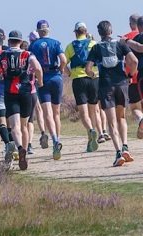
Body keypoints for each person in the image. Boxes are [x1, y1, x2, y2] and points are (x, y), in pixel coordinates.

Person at [85, 20, 138, 167]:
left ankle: (118, 153)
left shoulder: (96, 48)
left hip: (106, 85)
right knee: (121, 117)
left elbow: (88, 69)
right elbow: (133, 61)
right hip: (122, 84)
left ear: (99, 33)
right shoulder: (121, 44)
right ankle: (125, 146)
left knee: (111, 121)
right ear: (111, 30)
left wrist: (93, 75)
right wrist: (130, 76)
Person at [0, 30, 43, 170]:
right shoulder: (27, 54)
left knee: (14, 127)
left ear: (8, 42)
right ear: (20, 42)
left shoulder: (2, 56)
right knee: (24, 126)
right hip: (25, 92)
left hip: (10, 93)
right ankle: (24, 150)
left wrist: (1, 77)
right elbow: (37, 67)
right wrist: (40, 81)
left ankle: (19, 147)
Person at [64, 22, 105, 153]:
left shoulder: (70, 46)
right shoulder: (93, 44)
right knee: (93, 110)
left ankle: (90, 132)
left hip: (78, 79)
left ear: (75, 32)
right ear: (86, 31)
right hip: (93, 78)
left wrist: (69, 74)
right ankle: (94, 136)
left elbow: (63, 63)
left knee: (83, 112)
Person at [29, 20, 67, 160]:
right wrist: (61, 70)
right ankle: (58, 141)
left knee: (47, 113)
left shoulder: (33, 45)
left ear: (38, 31)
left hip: (43, 78)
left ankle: (55, 139)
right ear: (48, 30)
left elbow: (32, 65)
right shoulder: (55, 43)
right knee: (56, 112)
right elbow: (63, 59)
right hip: (56, 77)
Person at [120, 16, 143, 138]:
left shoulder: (129, 38)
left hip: (134, 78)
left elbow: (130, 61)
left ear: (131, 24)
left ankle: (141, 120)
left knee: (135, 107)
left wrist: (128, 74)